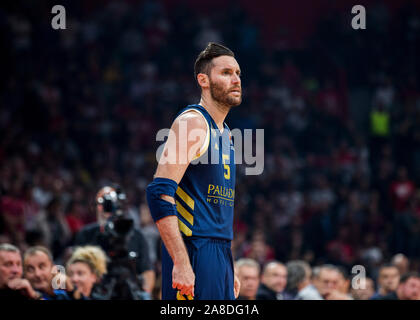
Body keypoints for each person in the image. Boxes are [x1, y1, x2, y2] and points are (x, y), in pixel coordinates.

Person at [146, 42, 242, 300]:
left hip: (219, 251)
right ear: (204, 80)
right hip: (193, 248)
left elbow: (216, 209)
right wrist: (181, 262)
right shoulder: (192, 122)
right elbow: (159, 193)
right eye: (226, 73)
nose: (235, 79)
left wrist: (226, 263)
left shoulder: (226, 133)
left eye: (237, 73)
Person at [75, 186, 155, 294]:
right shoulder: (86, 234)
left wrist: (144, 294)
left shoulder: (135, 235)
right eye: (102, 203)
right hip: (96, 293)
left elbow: (147, 270)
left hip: (129, 291)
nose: (105, 207)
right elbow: (77, 268)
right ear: (96, 206)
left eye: (111, 203)